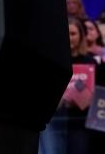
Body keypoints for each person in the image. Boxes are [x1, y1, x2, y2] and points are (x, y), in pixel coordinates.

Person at [41, 17, 97, 154]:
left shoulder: (90, 61)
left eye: (73, 34)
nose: (69, 38)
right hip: (54, 121)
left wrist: (80, 97)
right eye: (66, 33)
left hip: (80, 122)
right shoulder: (52, 60)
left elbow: (97, 95)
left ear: (81, 36)